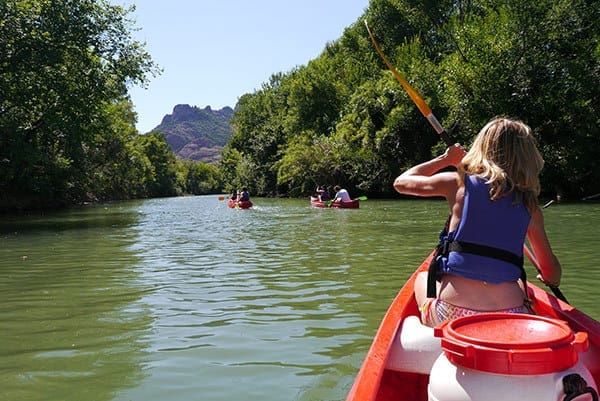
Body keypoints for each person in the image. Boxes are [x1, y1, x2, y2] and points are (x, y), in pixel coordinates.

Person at [393, 117, 562, 327]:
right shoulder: (530, 206)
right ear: (529, 157)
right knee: (520, 284)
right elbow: (551, 273)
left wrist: (445, 160)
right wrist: (548, 276)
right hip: (510, 314)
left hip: (452, 315)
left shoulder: (457, 184)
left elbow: (401, 183)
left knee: (422, 279)